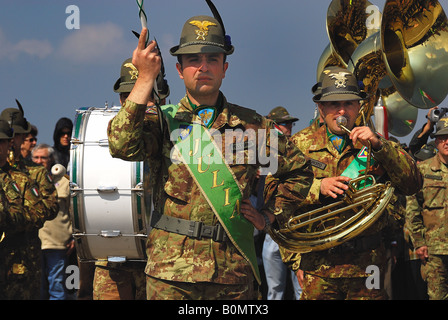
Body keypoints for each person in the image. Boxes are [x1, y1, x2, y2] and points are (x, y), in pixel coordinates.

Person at [107, 12, 314, 299]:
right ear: (179, 70)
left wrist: (268, 217)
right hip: (171, 275)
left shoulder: (251, 126)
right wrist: (144, 79)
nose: (203, 67)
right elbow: (121, 145)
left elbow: (299, 171)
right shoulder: (162, 121)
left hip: (232, 274)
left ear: (225, 68)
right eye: (193, 60)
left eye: (212, 59)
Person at [268, 66, 422, 300]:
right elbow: (272, 194)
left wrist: (380, 146)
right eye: (334, 104)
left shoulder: (375, 142)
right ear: (321, 108)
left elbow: (413, 183)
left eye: (349, 103)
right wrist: (318, 188)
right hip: (318, 266)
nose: (342, 111)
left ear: (359, 107)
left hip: (368, 264)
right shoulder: (298, 144)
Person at [92, 57, 169, 300]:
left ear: (162, 98)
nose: (139, 102)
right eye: (130, 95)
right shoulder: (108, 131)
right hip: (113, 258)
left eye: (148, 95)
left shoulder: (178, 130)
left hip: (163, 259)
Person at [0, 107, 58, 299]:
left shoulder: (34, 172)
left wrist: (17, 218)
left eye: (14, 136)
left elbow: (50, 206)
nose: (11, 141)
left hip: (24, 252)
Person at [262, 106, 301, 300]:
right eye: (285, 123)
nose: (289, 127)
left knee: (301, 288)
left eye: (290, 124)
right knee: (275, 291)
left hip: (295, 228)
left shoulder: (297, 148)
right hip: (272, 230)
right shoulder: (262, 149)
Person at [406, 117, 448, 300]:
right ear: (437, 141)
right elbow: (412, 209)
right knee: (437, 296)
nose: (447, 141)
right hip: (434, 249)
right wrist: (419, 243)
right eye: (443, 137)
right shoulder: (423, 170)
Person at [32, 143, 74, 300]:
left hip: (57, 241)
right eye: (36, 157)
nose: (39, 161)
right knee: (36, 288)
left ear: (50, 159)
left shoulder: (64, 181)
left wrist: (75, 237)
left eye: (43, 157)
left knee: (57, 287)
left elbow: (73, 211)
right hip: (33, 241)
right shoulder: (24, 180)